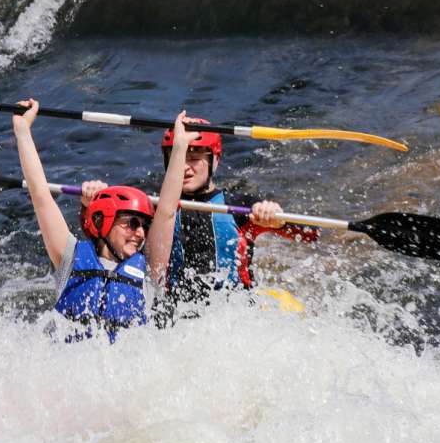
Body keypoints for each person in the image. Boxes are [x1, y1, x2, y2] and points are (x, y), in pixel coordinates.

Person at [82, 119, 320, 322]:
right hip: (172, 314)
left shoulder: (239, 206)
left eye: (195, 157)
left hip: (235, 314)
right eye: (179, 156)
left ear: (214, 160)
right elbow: (100, 235)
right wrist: (90, 202)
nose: (185, 167)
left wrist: (278, 221)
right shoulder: (151, 204)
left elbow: (311, 234)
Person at [13, 99, 198, 342]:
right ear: (104, 221)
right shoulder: (70, 257)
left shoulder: (150, 271)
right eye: (131, 223)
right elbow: (40, 196)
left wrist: (180, 147)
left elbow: (166, 211)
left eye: (143, 225)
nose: (140, 232)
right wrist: (22, 130)